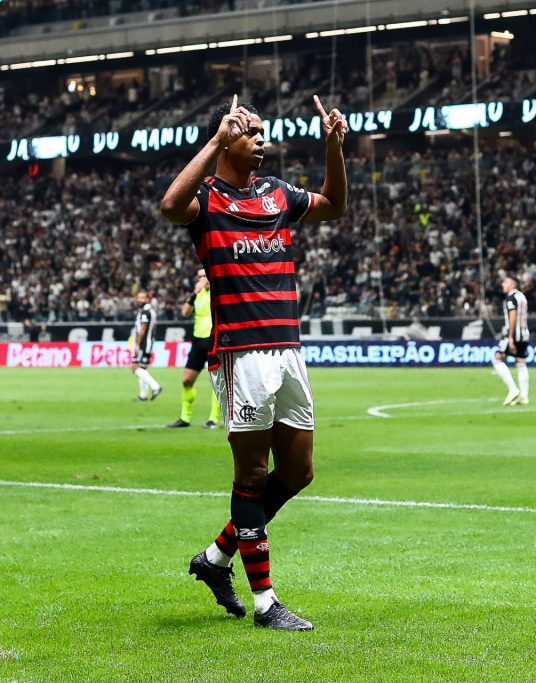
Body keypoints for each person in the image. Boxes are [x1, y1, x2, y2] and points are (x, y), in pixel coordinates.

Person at [160, 94, 347, 630]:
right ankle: (266, 603)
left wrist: (333, 148)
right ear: (226, 139)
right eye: (251, 132)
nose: (262, 139)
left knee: (299, 471)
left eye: (264, 132)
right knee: (252, 472)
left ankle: (216, 559)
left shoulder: (278, 195)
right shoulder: (207, 201)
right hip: (241, 355)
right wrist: (214, 140)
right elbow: (171, 206)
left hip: (287, 348)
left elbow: (335, 205)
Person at [167, 267, 223, 429]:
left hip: (214, 339)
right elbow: (185, 312)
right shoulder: (196, 295)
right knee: (187, 380)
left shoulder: (217, 293)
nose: (201, 279)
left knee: (216, 381)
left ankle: (213, 418)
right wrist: (193, 295)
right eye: (199, 276)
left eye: (205, 276)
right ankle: (185, 417)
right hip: (198, 340)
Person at [492, 275, 530, 405]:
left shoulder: (511, 298)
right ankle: (524, 396)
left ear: (513, 284)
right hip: (524, 333)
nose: (503, 284)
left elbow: (512, 316)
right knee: (521, 362)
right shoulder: (522, 297)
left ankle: (513, 389)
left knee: (497, 359)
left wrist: (510, 337)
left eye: (505, 282)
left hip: (514, 334)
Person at [130, 291, 162, 402]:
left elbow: (142, 329)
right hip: (148, 343)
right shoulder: (150, 311)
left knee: (135, 367)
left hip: (144, 344)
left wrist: (138, 344)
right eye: (138, 297)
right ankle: (143, 395)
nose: (140, 300)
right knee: (142, 368)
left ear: (147, 299)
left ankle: (156, 387)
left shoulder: (145, 312)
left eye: (143, 298)